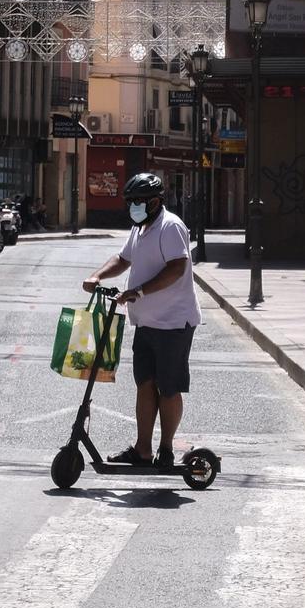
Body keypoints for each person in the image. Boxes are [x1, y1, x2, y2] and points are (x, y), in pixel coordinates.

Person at [82, 170, 201, 472]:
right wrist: (97, 275)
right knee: (145, 385)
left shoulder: (170, 227)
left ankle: (166, 449)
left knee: (169, 388)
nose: (133, 206)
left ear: (156, 201)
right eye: (130, 201)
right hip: (146, 323)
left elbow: (177, 268)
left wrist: (140, 291)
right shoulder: (140, 228)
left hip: (173, 323)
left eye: (139, 201)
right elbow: (122, 259)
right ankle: (143, 449)